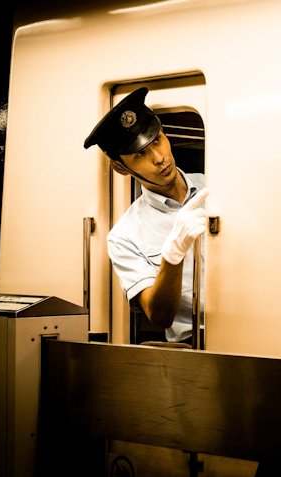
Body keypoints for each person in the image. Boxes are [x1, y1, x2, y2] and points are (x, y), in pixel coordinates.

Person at [84, 87, 211, 345]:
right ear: (121, 168)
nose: (159, 158)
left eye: (157, 140)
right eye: (140, 154)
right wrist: (172, 255)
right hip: (195, 343)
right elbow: (159, 315)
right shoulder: (124, 236)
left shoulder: (215, 185)